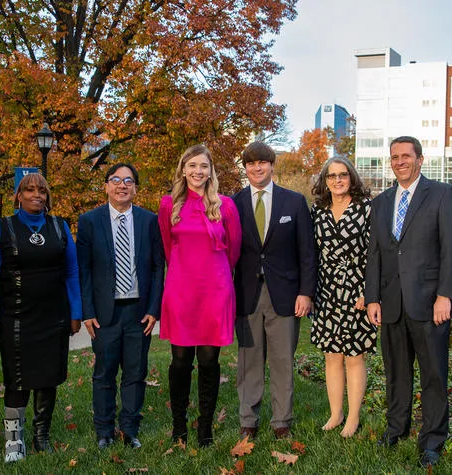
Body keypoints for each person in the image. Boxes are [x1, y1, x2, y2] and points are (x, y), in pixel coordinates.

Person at [366, 136, 452, 468]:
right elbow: (375, 255)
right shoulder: (381, 203)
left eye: (406, 156)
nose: (400, 161)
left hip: (429, 304)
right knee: (396, 373)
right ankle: (396, 430)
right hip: (392, 303)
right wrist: (372, 299)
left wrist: (445, 295)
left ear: (420, 159)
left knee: (434, 375)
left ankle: (432, 440)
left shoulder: (441, 195)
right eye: (394, 157)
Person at [0, 173, 82, 463]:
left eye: (41, 190)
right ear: (19, 196)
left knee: (48, 377)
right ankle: (15, 441)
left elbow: (72, 271)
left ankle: (42, 437)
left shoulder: (59, 226)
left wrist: (75, 312)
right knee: (17, 378)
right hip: (15, 316)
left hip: (53, 316)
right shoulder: (2, 228)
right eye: (29, 190)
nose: (36, 195)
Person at [76, 163, 165, 450]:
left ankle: (130, 429)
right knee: (104, 373)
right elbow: (84, 270)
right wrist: (87, 311)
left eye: (128, 180)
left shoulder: (149, 221)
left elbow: (156, 268)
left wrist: (154, 308)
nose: (122, 185)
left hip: (139, 312)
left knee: (135, 373)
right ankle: (104, 430)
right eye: (116, 180)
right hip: (104, 313)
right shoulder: (89, 221)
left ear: (135, 188)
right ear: (106, 185)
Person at [232, 141, 317, 440]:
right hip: (247, 295)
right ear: (245, 168)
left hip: (285, 295)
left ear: (272, 165)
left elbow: (307, 252)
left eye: (263, 163)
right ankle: (248, 420)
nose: (257, 168)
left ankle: (282, 421)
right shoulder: (234, 203)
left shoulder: (293, 203)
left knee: (282, 361)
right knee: (249, 361)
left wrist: (306, 292)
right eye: (251, 163)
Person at [158, 144, 242, 446]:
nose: (198, 171)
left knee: (209, 361)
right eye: (192, 165)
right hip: (181, 291)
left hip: (215, 291)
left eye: (203, 166)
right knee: (180, 361)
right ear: (183, 169)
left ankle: (204, 427)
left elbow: (234, 251)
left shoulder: (226, 206)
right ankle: (179, 426)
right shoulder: (169, 204)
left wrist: (215, 277)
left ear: (211, 171)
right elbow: (168, 249)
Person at [310, 157, 374, 438]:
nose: (337, 180)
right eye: (332, 176)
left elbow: (376, 252)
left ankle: (354, 417)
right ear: (325, 181)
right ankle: (336, 413)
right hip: (326, 290)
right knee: (331, 355)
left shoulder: (366, 209)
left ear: (352, 178)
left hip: (357, 289)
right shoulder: (318, 211)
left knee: (354, 355)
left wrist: (368, 291)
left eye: (343, 175)